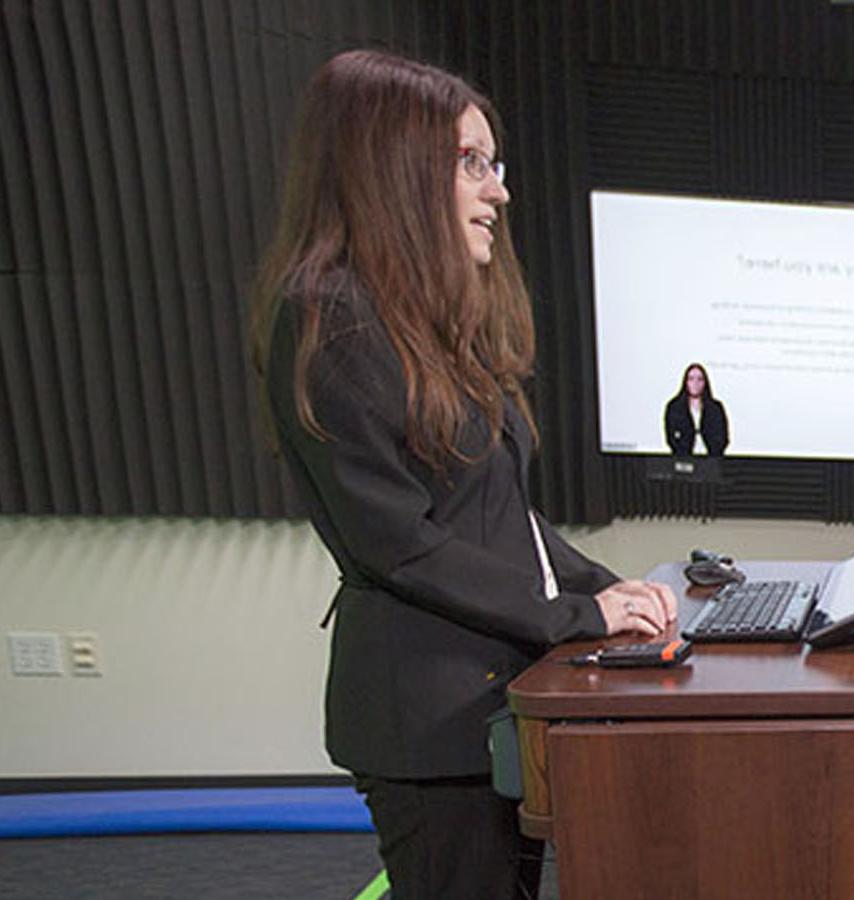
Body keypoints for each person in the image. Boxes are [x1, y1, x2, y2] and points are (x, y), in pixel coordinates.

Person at [249, 49, 677, 899]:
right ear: (393, 169)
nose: (499, 191)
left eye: (496, 164)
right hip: (426, 722)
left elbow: (498, 512)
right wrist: (576, 613)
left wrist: (603, 584)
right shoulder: (329, 317)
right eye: (471, 164)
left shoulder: (427, 326)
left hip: (485, 701)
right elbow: (401, 544)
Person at [663, 362, 730, 457]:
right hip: (684, 458)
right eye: (691, 379)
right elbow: (671, 437)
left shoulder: (716, 408)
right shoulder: (674, 408)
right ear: (685, 382)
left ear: (705, 383)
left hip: (711, 460)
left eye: (700, 379)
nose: (695, 383)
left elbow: (723, 437)